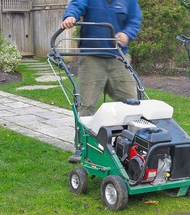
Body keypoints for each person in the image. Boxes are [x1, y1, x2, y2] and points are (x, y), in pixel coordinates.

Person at [61, 0, 142, 163]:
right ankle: (82, 148)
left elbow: (135, 19)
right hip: (92, 58)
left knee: (132, 103)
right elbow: (77, 5)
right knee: (87, 104)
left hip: (118, 56)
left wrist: (127, 33)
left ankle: (133, 147)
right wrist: (70, 16)